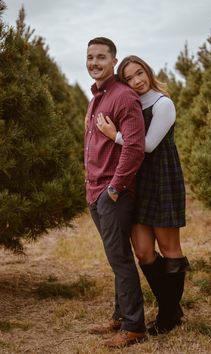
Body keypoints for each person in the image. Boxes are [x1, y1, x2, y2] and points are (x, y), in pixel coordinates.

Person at [97, 55, 190, 335]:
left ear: (147, 72)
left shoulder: (163, 104)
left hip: (161, 177)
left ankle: (168, 315)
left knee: (170, 249)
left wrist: (115, 136)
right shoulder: (133, 102)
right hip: (138, 180)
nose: (137, 81)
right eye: (129, 78)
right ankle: (171, 308)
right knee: (144, 252)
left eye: (140, 73)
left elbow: (147, 146)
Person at [84, 40, 147, 348]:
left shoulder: (123, 96)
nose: (94, 62)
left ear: (113, 60)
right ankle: (120, 315)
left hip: (113, 192)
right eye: (90, 57)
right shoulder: (97, 96)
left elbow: (134, 147)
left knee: (120, 259)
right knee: (115, 257)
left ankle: (134, 325)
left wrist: (114, 188)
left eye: (101, 57)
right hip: (95, 190)